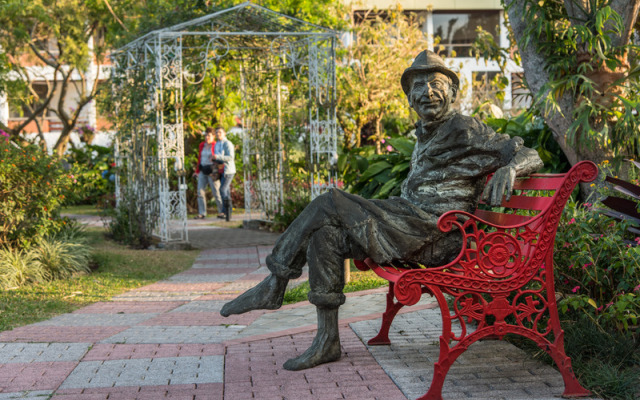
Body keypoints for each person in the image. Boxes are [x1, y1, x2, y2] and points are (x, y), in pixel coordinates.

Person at [220, 50, 543, 370]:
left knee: (330, 201)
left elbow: (530, 153)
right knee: (327, 236)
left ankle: (274, 284)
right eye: (419, 87)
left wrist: (511, 168)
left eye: (436, 84)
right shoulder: (424, 133)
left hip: (439, 233)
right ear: (409, 99)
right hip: (411, 224)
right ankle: (327, 341)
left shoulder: (464, 127)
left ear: (453, 93)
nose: (427, 92)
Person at [193, 127, 223, 219]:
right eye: (206, 135)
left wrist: (216, 168)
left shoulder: (216, 145)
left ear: (213, 136)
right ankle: (202, 213)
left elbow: (220, 159)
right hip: (203, 170)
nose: (207, 137)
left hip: (212, 171)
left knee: (216, 192)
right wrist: (197, 171)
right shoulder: (202, 145)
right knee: (200, 192)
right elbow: (199, 158)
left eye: (209, 136)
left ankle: (222, 211)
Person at [212, 126, 236, 219]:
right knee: (226, 191)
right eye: (217, 132)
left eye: (220, 132)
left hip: (228, 170)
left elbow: (230, 157)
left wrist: (217, 157)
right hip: (221, 170)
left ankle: (225, 210)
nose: (218, 134)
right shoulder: (217, 144)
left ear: (224, 133)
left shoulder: (227, 143)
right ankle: (228, 212)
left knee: (222, 189)